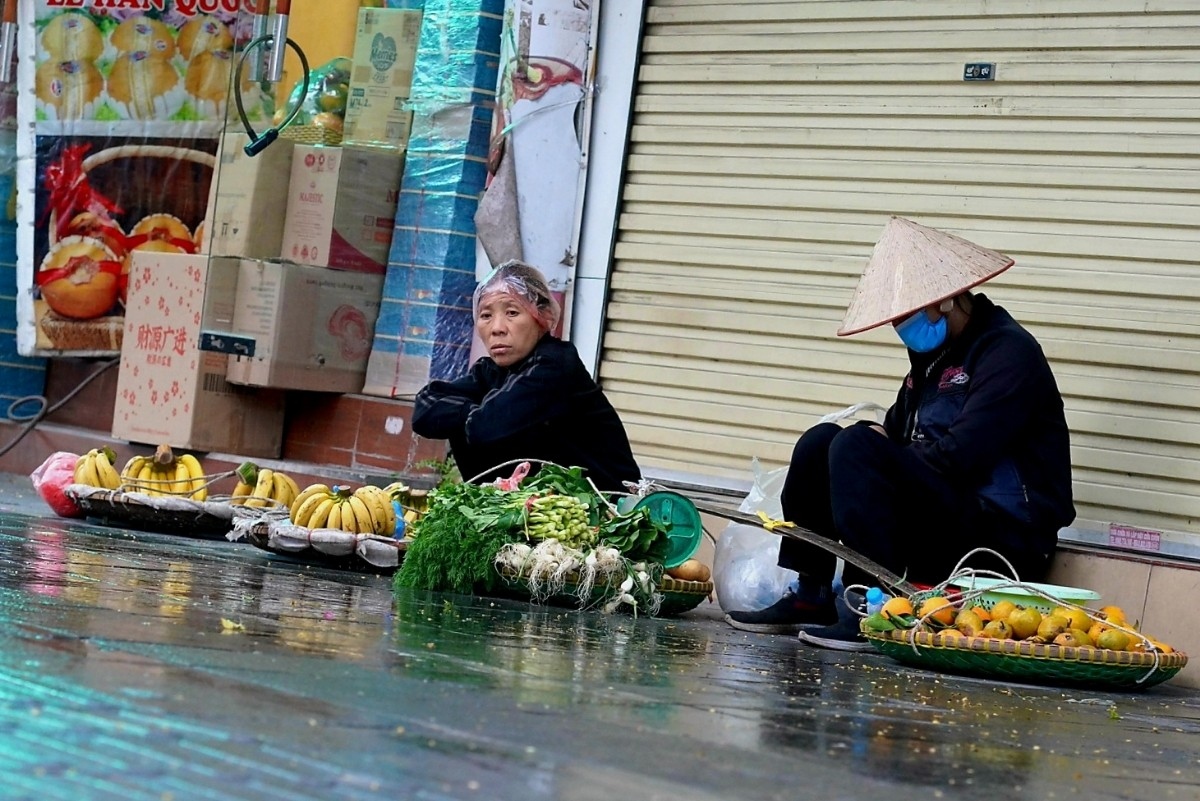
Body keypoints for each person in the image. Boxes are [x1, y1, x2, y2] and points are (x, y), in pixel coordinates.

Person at [725, 216, 1075, 650]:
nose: (902, 328)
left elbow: (960, 457)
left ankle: (873, 606)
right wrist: (878, 443)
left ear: (945, 300)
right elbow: (896, 442)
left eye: (908, 314)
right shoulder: (930, 362)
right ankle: (811, 592)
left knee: (854, 446)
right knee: (824, 442)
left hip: (1001, 541)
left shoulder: (1008, 353)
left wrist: (878, 449)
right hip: (943, 519)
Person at [412, 260, 641, 492]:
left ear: (542, 317)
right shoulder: (490, 371)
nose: (497, 328)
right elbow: (424, 408)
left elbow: (486, 428)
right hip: (536, 506)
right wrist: (471, 414)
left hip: (602, 505)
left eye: (512, 312)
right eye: (486, 315)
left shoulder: (555, 365)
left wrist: (469, 415)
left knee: (492, 428)